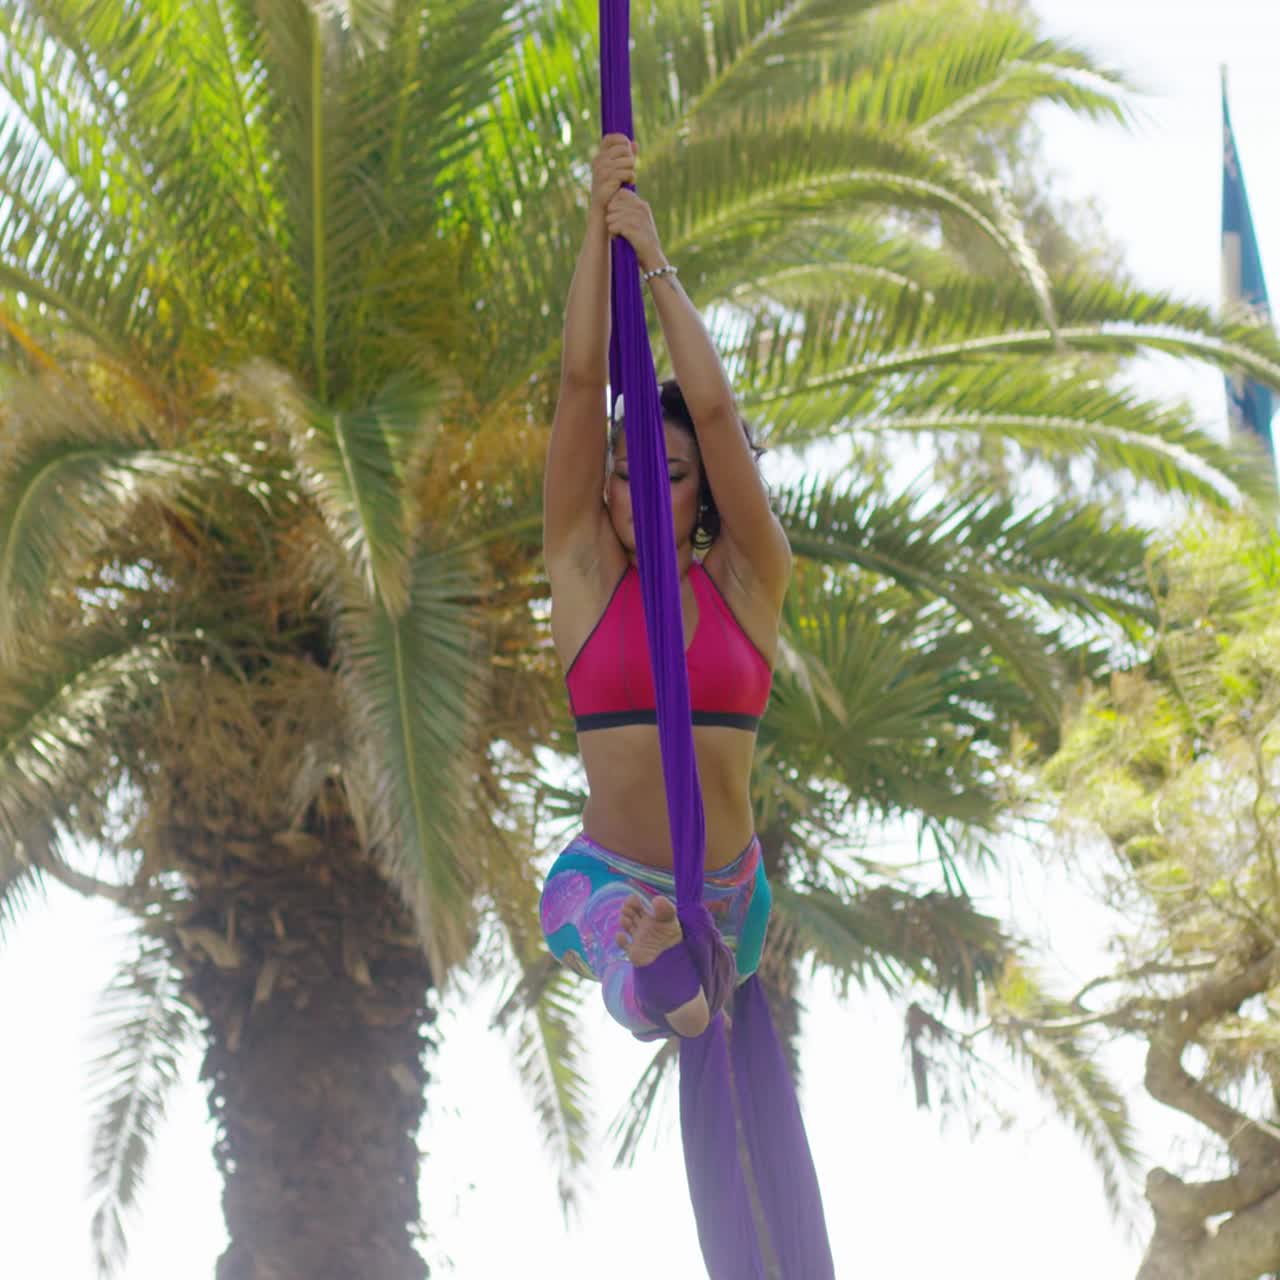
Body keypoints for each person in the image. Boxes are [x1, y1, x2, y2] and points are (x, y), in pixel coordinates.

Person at [539, 133, 792, 1041]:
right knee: (652, 977)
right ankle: (655, 969)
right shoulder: (582, 574)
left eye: (670, 473)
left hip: (729, 895)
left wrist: (653, 263)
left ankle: (675, 970)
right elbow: (578, 385)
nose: (640, 486)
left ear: (709, 495)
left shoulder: (751, 582)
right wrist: (593, 229)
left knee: (693, 981)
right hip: (607, 881)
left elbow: (716, 413)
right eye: (624, 470)